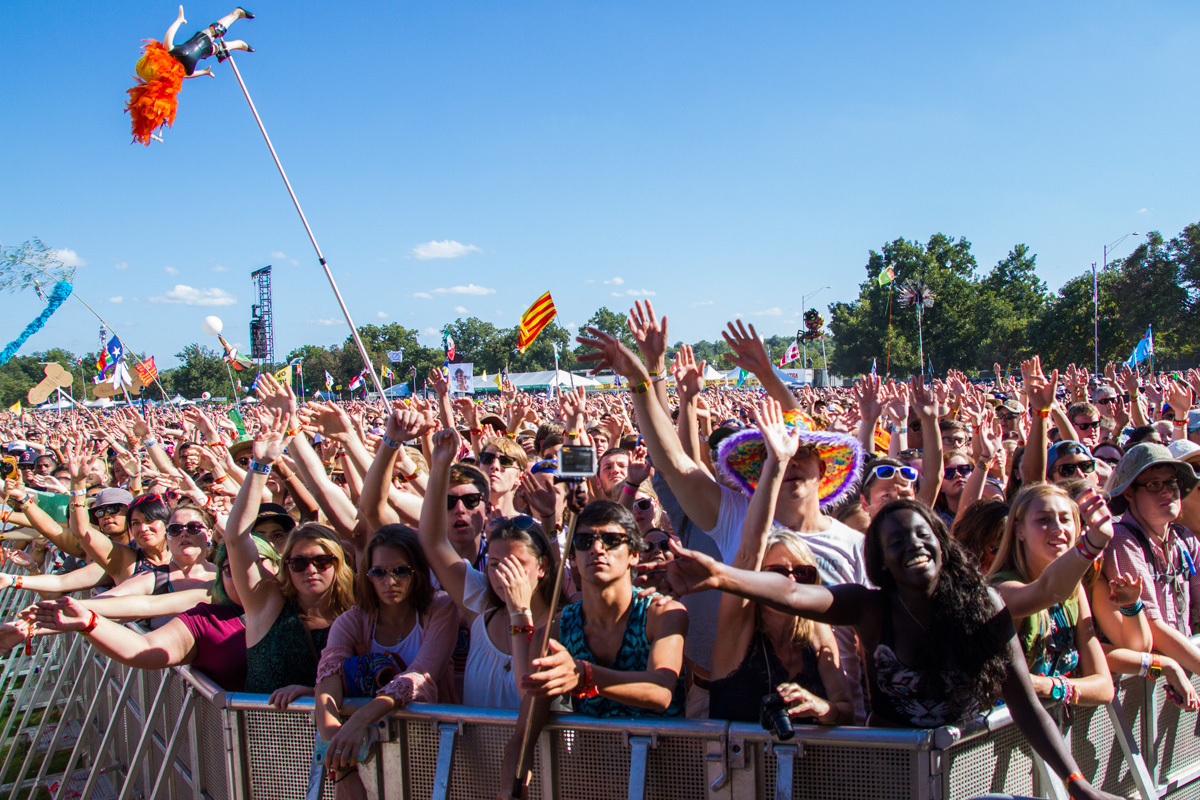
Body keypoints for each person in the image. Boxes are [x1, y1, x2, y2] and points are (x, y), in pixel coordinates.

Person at [641, 499, 1122, 800]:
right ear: (882, 560)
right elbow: (792, 594)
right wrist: (722, 576)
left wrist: (1077, 784)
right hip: (888, 773)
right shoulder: (870, 609)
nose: (912, 545)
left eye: (922, 534)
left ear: (941, 543)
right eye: (895, 541)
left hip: (969, 768)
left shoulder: (984, 606)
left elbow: (1025, 704)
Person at [707, 399, 853, 726]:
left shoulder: (818, 629)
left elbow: (846, 707)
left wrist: (823, 708)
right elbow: (748, 552)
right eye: (776, 572)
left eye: (802, 573)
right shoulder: (737, 626)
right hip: (740, 771)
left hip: (813, 771)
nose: (790, 581)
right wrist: (775, 462)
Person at [419, 429, 562, 709]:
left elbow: (531, 703)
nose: (504, 574)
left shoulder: (561, 623)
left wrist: (520, 614)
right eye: (495, 564)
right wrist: (438, 467)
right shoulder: (480, 603)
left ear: (542, 566)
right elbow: (433, 541)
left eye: (517, 564)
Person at [22, 537, 278, 692]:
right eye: (230, 569)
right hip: (246, 749)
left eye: (257, 563)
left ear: (279, 564)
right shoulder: (205, 616)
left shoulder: (303, 604)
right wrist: (89, 621)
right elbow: (143, 635)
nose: (246, 574)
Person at [314, 526, 459, 797]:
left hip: (439, 751)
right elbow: (327, 678)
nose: (389, 582)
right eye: (379, 572)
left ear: (418, 571)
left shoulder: (440, 608)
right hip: (373, 761)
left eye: (400, 571)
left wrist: (358, 720)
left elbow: (420, 676)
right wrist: (342, 768)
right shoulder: (352, 620)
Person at [226, 409, 355, 705]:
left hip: (341, 741)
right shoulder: (267, 601)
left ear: (339, 564)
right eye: (298, 563)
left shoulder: (357, 610)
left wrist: (313, 694)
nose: (311, 569)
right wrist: (259, 466)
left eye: (322, 561)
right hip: (265, 741)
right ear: (285, 566)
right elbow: (236, 539)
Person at [520, 501, 688, 717]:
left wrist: (585, 675)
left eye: (611, 540)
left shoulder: (663, 613)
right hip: (592, 751)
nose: (597, 549)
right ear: (572, 557)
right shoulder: (554, 633)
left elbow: (661, 691)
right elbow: (528, 726)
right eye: (584, 541)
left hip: (660, 750)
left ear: (634, 554)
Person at [988, 485, 1115, 707]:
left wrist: (1051, 687)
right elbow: (1048, 590)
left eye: (1065, 519)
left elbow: (1104, 687)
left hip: (1054, 729)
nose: (1057, 528)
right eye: (1043, 520)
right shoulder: (1001, 590)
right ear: (1019, 530)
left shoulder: (1075, 590)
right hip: (1000, 734)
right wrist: (1093, 543)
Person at [1101, 443, 1200, 676]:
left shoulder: (1185, 538)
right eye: (1154, 484)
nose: (1167, 491)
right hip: (1143, 684)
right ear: (1129, 493)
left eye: (1172, 483)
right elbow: (1152, 627)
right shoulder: (1121, 541)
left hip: (1180, 672)